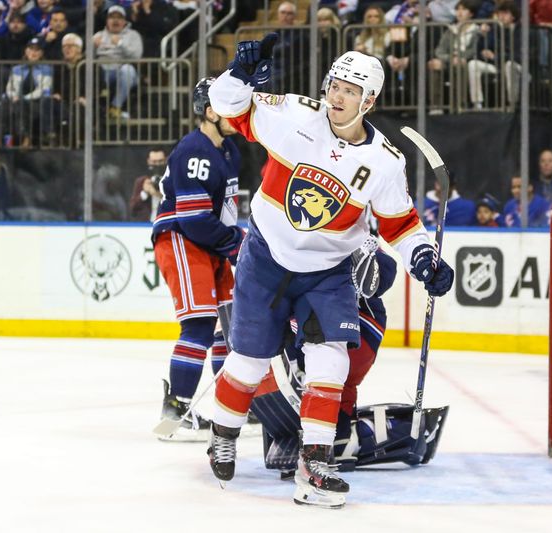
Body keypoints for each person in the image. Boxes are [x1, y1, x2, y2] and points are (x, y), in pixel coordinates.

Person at [206, 37, 454, 508]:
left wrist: (422, 257)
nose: (337, 96)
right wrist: (237, 73)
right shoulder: (295, 115)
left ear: (369, 101)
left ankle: (315, 464)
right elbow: (229, 109)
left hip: (327, 270)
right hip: (266, 255)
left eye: (349, 90)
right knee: (248, 362)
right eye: (334, 85)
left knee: (331, 361)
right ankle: (223, 433)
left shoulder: (384, 161)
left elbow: (400, 222)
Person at [253, 240, 449, 476]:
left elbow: (385, 273)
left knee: (326, 375)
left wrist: (363, 258)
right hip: (339, 326)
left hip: (358, 327)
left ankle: (332, 436)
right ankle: (339, 437)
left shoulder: (354, 236)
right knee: (328, 380)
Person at [151, 77, 244, 441]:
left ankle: (229, 408)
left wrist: (232, 242)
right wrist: (235, 243)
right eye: (228, 107)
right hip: (182, 237)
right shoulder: (195, 149)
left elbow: (222, 214)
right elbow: (193, 220)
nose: (236, 114)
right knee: (201, 325)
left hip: (209, 241)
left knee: (229, 327)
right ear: (209, 111)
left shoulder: (228, 151)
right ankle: (175, 412)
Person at [0, 37, 54, 148]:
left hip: (36, 103)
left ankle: (25, 138)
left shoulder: (47, 69)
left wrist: (24, 98)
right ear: (26, 51)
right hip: (17, 101)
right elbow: (9, 88)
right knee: (6, 104)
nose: (33, 53)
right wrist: (14, 96)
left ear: (41, 53)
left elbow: (43, 89)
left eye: (37, 50)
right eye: (31, 49)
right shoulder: (16, 69)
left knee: (19, 106)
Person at [427, 0, 480, 111]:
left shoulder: (476, 30)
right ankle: (436, 107)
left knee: (461, 65)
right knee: (434, 65)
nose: (460, 12)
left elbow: (474, 50)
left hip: (466, 61)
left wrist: (462, 58)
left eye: (464, 9)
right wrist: (450, 59)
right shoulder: (451, 30)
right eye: (458, 9)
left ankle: (460, 105)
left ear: (471, 13)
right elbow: (440, 51)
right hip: (450, 60)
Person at [93, 5, 144, 120]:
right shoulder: (98, 36)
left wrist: (120, 44)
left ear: (124, 21)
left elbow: (137, 56)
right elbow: (85, 58)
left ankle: (115, 106)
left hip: (123, 71)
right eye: (112, 17)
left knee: (127, 70)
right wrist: (92, 47)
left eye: (119, 18)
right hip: (102, 72)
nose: (115, 21)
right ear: (107, 21)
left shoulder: (133, 35)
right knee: (95, 71)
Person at [129, 147, 167, 221]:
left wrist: (156, 193)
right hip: (145, 226)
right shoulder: (141, 181)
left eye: (160, 161)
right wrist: (144, 193)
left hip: (166, 223)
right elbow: (132, 208)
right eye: (154, 162)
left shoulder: (172, 180)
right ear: (148, 161)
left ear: (166, 160)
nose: (157, 165)